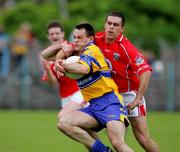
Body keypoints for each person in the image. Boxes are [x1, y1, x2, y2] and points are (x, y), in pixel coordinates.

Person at [56, 23, 134, 152]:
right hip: (93, 106)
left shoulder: (92, 50)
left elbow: (83, 68)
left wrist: (62, 65)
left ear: (90, 39)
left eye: (80, 37)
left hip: (110, 102)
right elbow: (45, 55)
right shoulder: (75, 54)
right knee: (64, 123)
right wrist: (58, 59)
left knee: (117, 143)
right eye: (74, 37)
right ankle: (103, 151)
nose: (75, 40)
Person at [95, 11, 160, 152]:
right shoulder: (96, 39)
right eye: (109, 23)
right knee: (112, 138)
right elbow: (75, 45)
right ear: (104, 24)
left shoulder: (126, 47)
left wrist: (138, 98)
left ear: (122, 28)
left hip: (129, 95)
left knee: (142, 138)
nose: (111, 27)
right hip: (110, 95)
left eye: (115, 25)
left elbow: (146, 71)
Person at [41, 21, 84, 118]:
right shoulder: (48, 57)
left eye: (57, 33)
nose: (54, 36)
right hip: (65, 97)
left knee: (62, 117)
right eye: (52, 34)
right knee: (73, 125)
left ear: (63, 34)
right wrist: (48, 69)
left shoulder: (72, 48)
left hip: (79, 92)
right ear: (48, 36)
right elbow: (53, 83)